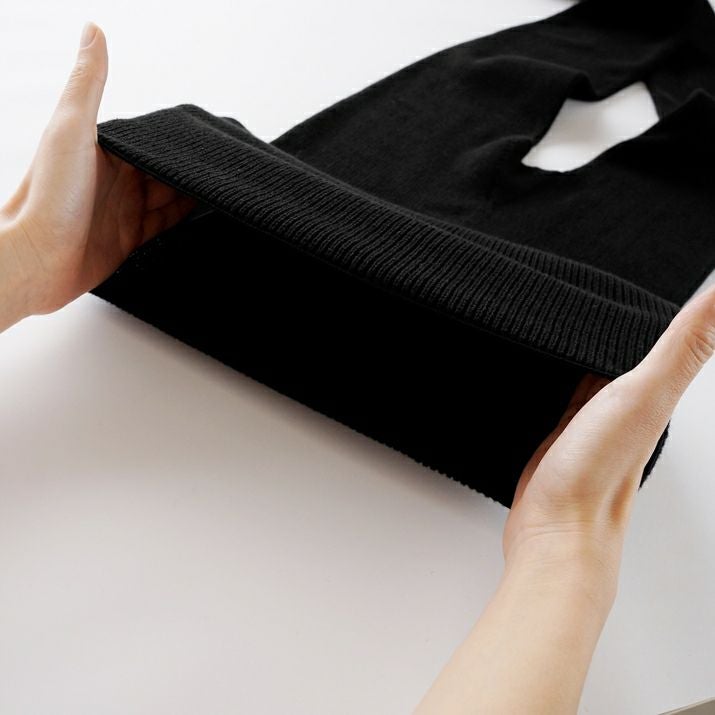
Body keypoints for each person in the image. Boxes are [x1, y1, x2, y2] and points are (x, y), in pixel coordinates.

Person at [1, 22, 713, 715]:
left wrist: (29, 258)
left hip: (242, 251)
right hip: (515, 362)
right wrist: (569, 543)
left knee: (494, 96)